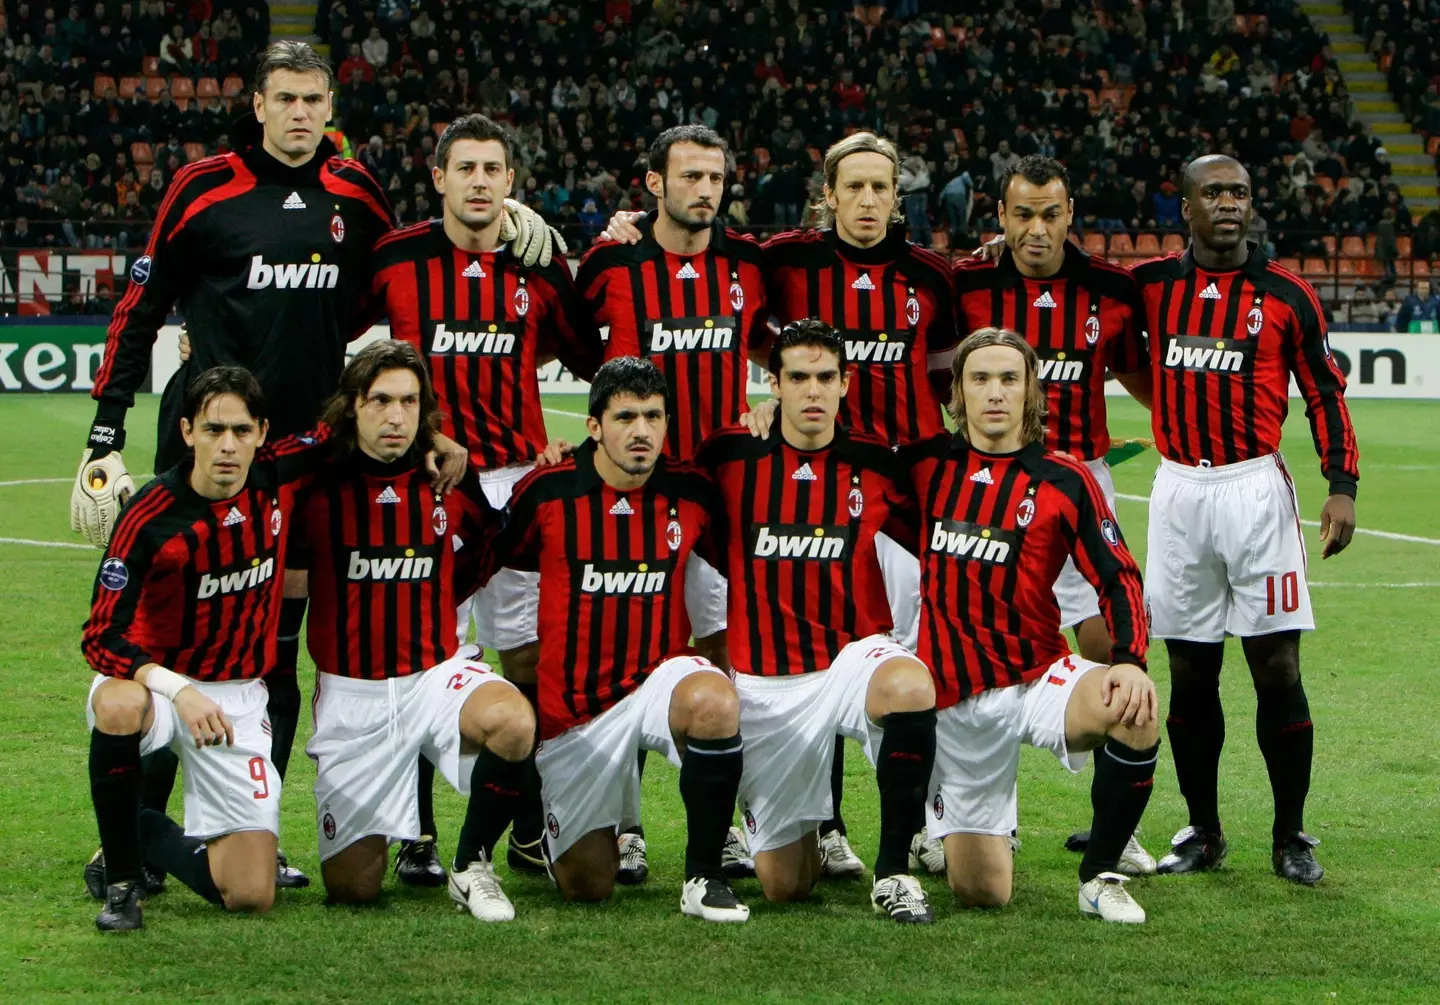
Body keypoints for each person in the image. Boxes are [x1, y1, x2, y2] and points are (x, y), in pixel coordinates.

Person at [77, 40, 550, 895]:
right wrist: (106, 428)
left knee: (270, 653)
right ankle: (132, 840)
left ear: (331, 112)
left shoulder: (355, 194)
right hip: (210, 451)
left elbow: (401, 275)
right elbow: (141, 302)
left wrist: (503, 241)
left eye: (314, 101)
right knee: (171, 639)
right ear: (257, 104)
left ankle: (255, 822)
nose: (300, 113)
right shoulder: (203, 188)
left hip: (308, 467)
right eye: (285, 98)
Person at [372, 112, 602, 883]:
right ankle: (417, 834)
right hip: (427, 486)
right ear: (438, 179)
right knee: (424, 659)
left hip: (518, 483)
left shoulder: (537, 269)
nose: (478, 181)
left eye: (492, 169)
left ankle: (530, 825)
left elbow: (598, 353)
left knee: (531, 660)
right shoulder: (395, 259)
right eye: (463, 168)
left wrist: (586, 254)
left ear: (511, 182)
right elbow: (322, 332)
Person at [1132, 155, 1359, 884]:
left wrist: (1341, 484)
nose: (1229, 203)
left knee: (1278, 666)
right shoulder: (1151, 288)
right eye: (1214, 193)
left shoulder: (1287, 293)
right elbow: (1072, 291)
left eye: (1240, 191)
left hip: (1256, 490)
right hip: (1178, 493)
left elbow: (1324, 391)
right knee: (1191, 674)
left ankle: (1291, 834)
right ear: (1186, 209)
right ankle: (1204, 829)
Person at [900, 327, 1159, 923]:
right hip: (955, 699)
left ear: (1031, 393)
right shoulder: (921, 467)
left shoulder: (1067, 479)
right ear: (957, 395)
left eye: (1009, 379)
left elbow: (1119, 577)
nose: (995, 393)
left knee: (1135, 709)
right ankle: (941, 824)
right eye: (980, 379)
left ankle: (1100, 875)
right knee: (983, 894)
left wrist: (1129, 662)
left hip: (1038, 677)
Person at [694, 319, 940, 924]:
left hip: (853, 660)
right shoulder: (728, 456)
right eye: (797, 378)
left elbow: (940, 533)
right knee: (785, 887)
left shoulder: (877, 465)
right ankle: (792, 836)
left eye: (825, 377)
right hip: (769, 684)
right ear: (772, 384)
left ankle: (894, 873)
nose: (812, 391)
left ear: (845, 383)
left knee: (908, 686)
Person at [575, 124, 770, 880]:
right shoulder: (612, 261)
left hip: (718, 499)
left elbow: (783, 339)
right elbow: (563, 331)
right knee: (620, 656)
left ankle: (721, 825)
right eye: (690, 176)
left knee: (722, 657)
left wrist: (768, 398)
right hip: (630, 492)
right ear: (653, 183)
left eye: (716, 177)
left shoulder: (749, 264)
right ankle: (625, 824)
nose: (706, 190)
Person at [954, 154, 1156, 874]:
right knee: (967, 651)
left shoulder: (1110, 288)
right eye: (1022, 214)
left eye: (1051, 213)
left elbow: (1139, 373)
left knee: (1113, 649)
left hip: (1081, 482)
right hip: (991, 485)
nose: (1037, 229)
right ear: (1000, 218)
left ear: (1071, 216)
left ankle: (1113, 823)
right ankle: (957, 816)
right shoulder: (968, 283)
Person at [498, 358, 750, 923]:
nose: (641, 430)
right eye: (626, 416)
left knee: (713, 700)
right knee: (588, 886)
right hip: (578, 713)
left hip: (658, 681)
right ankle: (558, 829)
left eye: (653, 416)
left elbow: (736, 569)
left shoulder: (692, 492)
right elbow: (494, 568)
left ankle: (704, 874)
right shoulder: (546, 490)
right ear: (594, 427)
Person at [81, 366, 328, 930]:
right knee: (117, 708)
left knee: (249, 896)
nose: (228, 445)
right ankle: (121, 885)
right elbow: (100, 636)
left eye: (241, 431)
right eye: (214, 430)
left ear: (263, 432)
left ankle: (138, 827)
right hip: (159, 686)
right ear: (188, 431)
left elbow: (355, 424)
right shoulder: (148, 515)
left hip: (239, 696)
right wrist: (179, 690)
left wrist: (436, 438)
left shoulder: (280, 474)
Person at [294, 341, 534, 920]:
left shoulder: (448, 480)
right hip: (353, 694)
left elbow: (487, 546)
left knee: (514, 723)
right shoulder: (312, 480)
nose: (396, 415)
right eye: (380, 400)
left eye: (409, 401)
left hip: (433, 675)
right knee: (354, 888)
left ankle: (472, 864)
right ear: (353, 405)